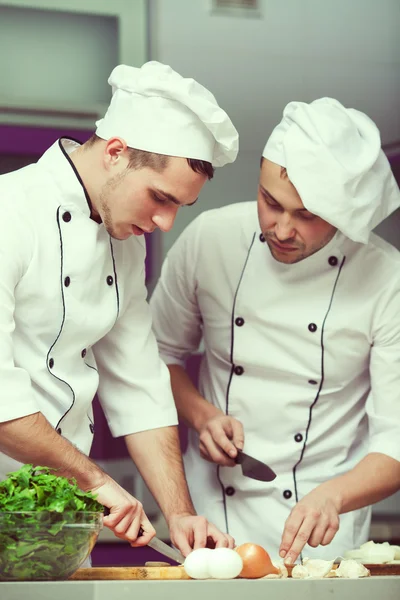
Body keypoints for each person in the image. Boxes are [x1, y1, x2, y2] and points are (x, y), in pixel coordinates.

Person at [0, 61, 239, 555]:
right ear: (115, 152)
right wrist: (94, 480)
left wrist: (179, 513)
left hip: (61, 515)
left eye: (179, 208)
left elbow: (140, 386)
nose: (166, 223)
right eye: (159, 197)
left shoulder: (123, 244)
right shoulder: (10, 214)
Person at [150, 97, 400, 563]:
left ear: (347, 214)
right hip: (212, 521)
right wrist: (202, 416)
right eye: (270, 202)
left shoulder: (387, 279)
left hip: (325, 531)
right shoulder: (210, 239)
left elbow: (395, 441)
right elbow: (157, 354)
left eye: (307, 215)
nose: (282, 228)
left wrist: (335, 496)